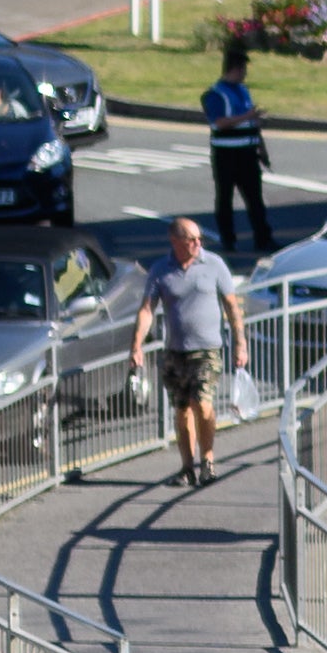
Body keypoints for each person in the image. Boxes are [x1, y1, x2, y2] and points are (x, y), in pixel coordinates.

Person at [129, 215, 251, 489]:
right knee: (182, 410)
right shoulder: (161, 270)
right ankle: (187, 467)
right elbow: (147, 309)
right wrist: (136, 345)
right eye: (191, 240)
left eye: (199, 239)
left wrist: (240, 343)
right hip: (176, 351)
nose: (198, 244)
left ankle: (207, 460)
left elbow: (232, 306)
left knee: (203, 403)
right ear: (175, 242)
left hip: (207, 349)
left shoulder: (214, 265)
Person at [203, 40, 273, 255]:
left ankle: (263, 238)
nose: (245, 74)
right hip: (226, 155)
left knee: (255, 199)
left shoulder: (243, 90)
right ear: (235, 69)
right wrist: (248, 116)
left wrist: (262, 149)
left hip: (248, 153)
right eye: (243, 69)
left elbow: (252, 124)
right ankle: (228, 240)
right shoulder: (215, 94)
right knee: (225, 199)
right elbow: (220, 123)